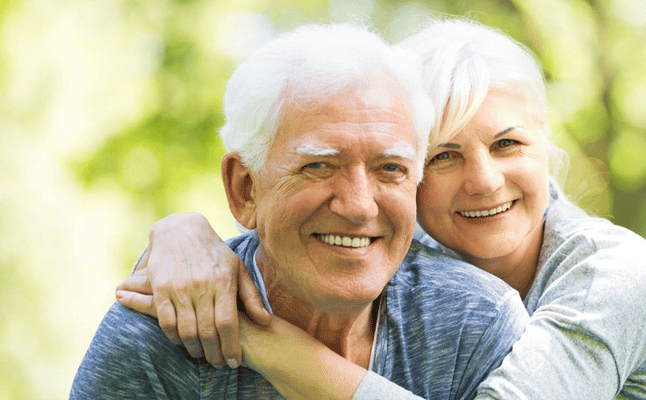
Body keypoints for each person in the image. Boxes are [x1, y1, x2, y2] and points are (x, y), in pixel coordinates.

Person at [115, 20, 646, 398]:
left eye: (509, 144)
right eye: (445, 156)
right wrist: (181, 234)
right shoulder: (410, 266)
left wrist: (263, 341)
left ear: (546, 150)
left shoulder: (613, 278)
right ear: (411, 179)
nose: (483, 180)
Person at [73, 24, 527, 399]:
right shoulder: (157, 342)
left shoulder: (476, 325)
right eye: (319, 166)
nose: (358, 205)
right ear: (245, 189)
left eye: (390, 168)